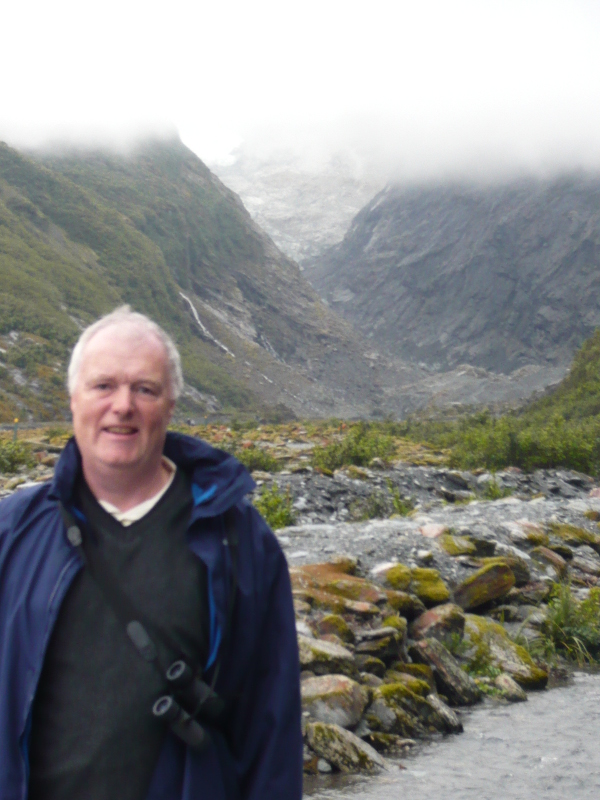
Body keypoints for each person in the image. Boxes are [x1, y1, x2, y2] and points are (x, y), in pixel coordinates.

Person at [0, 306, 302, 800]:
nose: (123, 406)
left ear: (170, 403)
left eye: (145, 388)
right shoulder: (12, 532)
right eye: (103, 386)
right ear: (73, 399)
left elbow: (271, 724)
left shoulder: (239, 540)